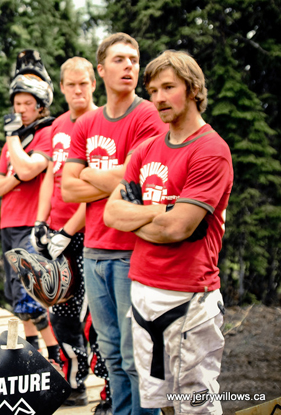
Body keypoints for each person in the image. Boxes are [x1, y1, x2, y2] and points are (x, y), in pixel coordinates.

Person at [104, 50, 232, 415]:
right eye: (153, 90)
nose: (158, 98)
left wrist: (147, 219)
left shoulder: (211, 150)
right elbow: (112, 213)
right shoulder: (145, 150)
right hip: (142, 290)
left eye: (169, 87)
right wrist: (159, 215)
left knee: (195, 402)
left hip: (189, 298)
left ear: (192, 89)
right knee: (161, 403)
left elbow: (179, 227)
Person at [61, 33, 167, 415]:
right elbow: (68, 190)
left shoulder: (148, 116)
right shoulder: (87, 123)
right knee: (110, 352)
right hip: (94, 251)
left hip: (132, 254)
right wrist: (110, 179)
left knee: (135, 354)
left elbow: (136, 181)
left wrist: (89, 174)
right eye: (120, 59)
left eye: (135, 60)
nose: (130, 66)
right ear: (101, 70)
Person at [32, 56, 112, 411]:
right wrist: (41, 222)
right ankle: (72, 382)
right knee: (60, 311)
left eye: (84, 83)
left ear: (93, 84)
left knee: (97, 316)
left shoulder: (102, 122)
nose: (78, 90)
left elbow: (96, 189)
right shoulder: (58, 125)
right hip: (56, 231)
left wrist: (66, 231)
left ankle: (110, 388)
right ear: (61, 88)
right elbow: (52, 174)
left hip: (90, 229)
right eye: (71, 85)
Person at [0, 49, 62, 365]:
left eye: (26, 105)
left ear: (41, 105)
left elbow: (31, 169)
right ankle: (35, 355)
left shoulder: (45, 133)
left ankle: (57, 355)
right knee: (17, 297)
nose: (19, 111)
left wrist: (15, 146)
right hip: (9, 222)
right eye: (16, 104)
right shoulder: (13, 142)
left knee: (34, 296)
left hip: (32, 224)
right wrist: (18, 170)